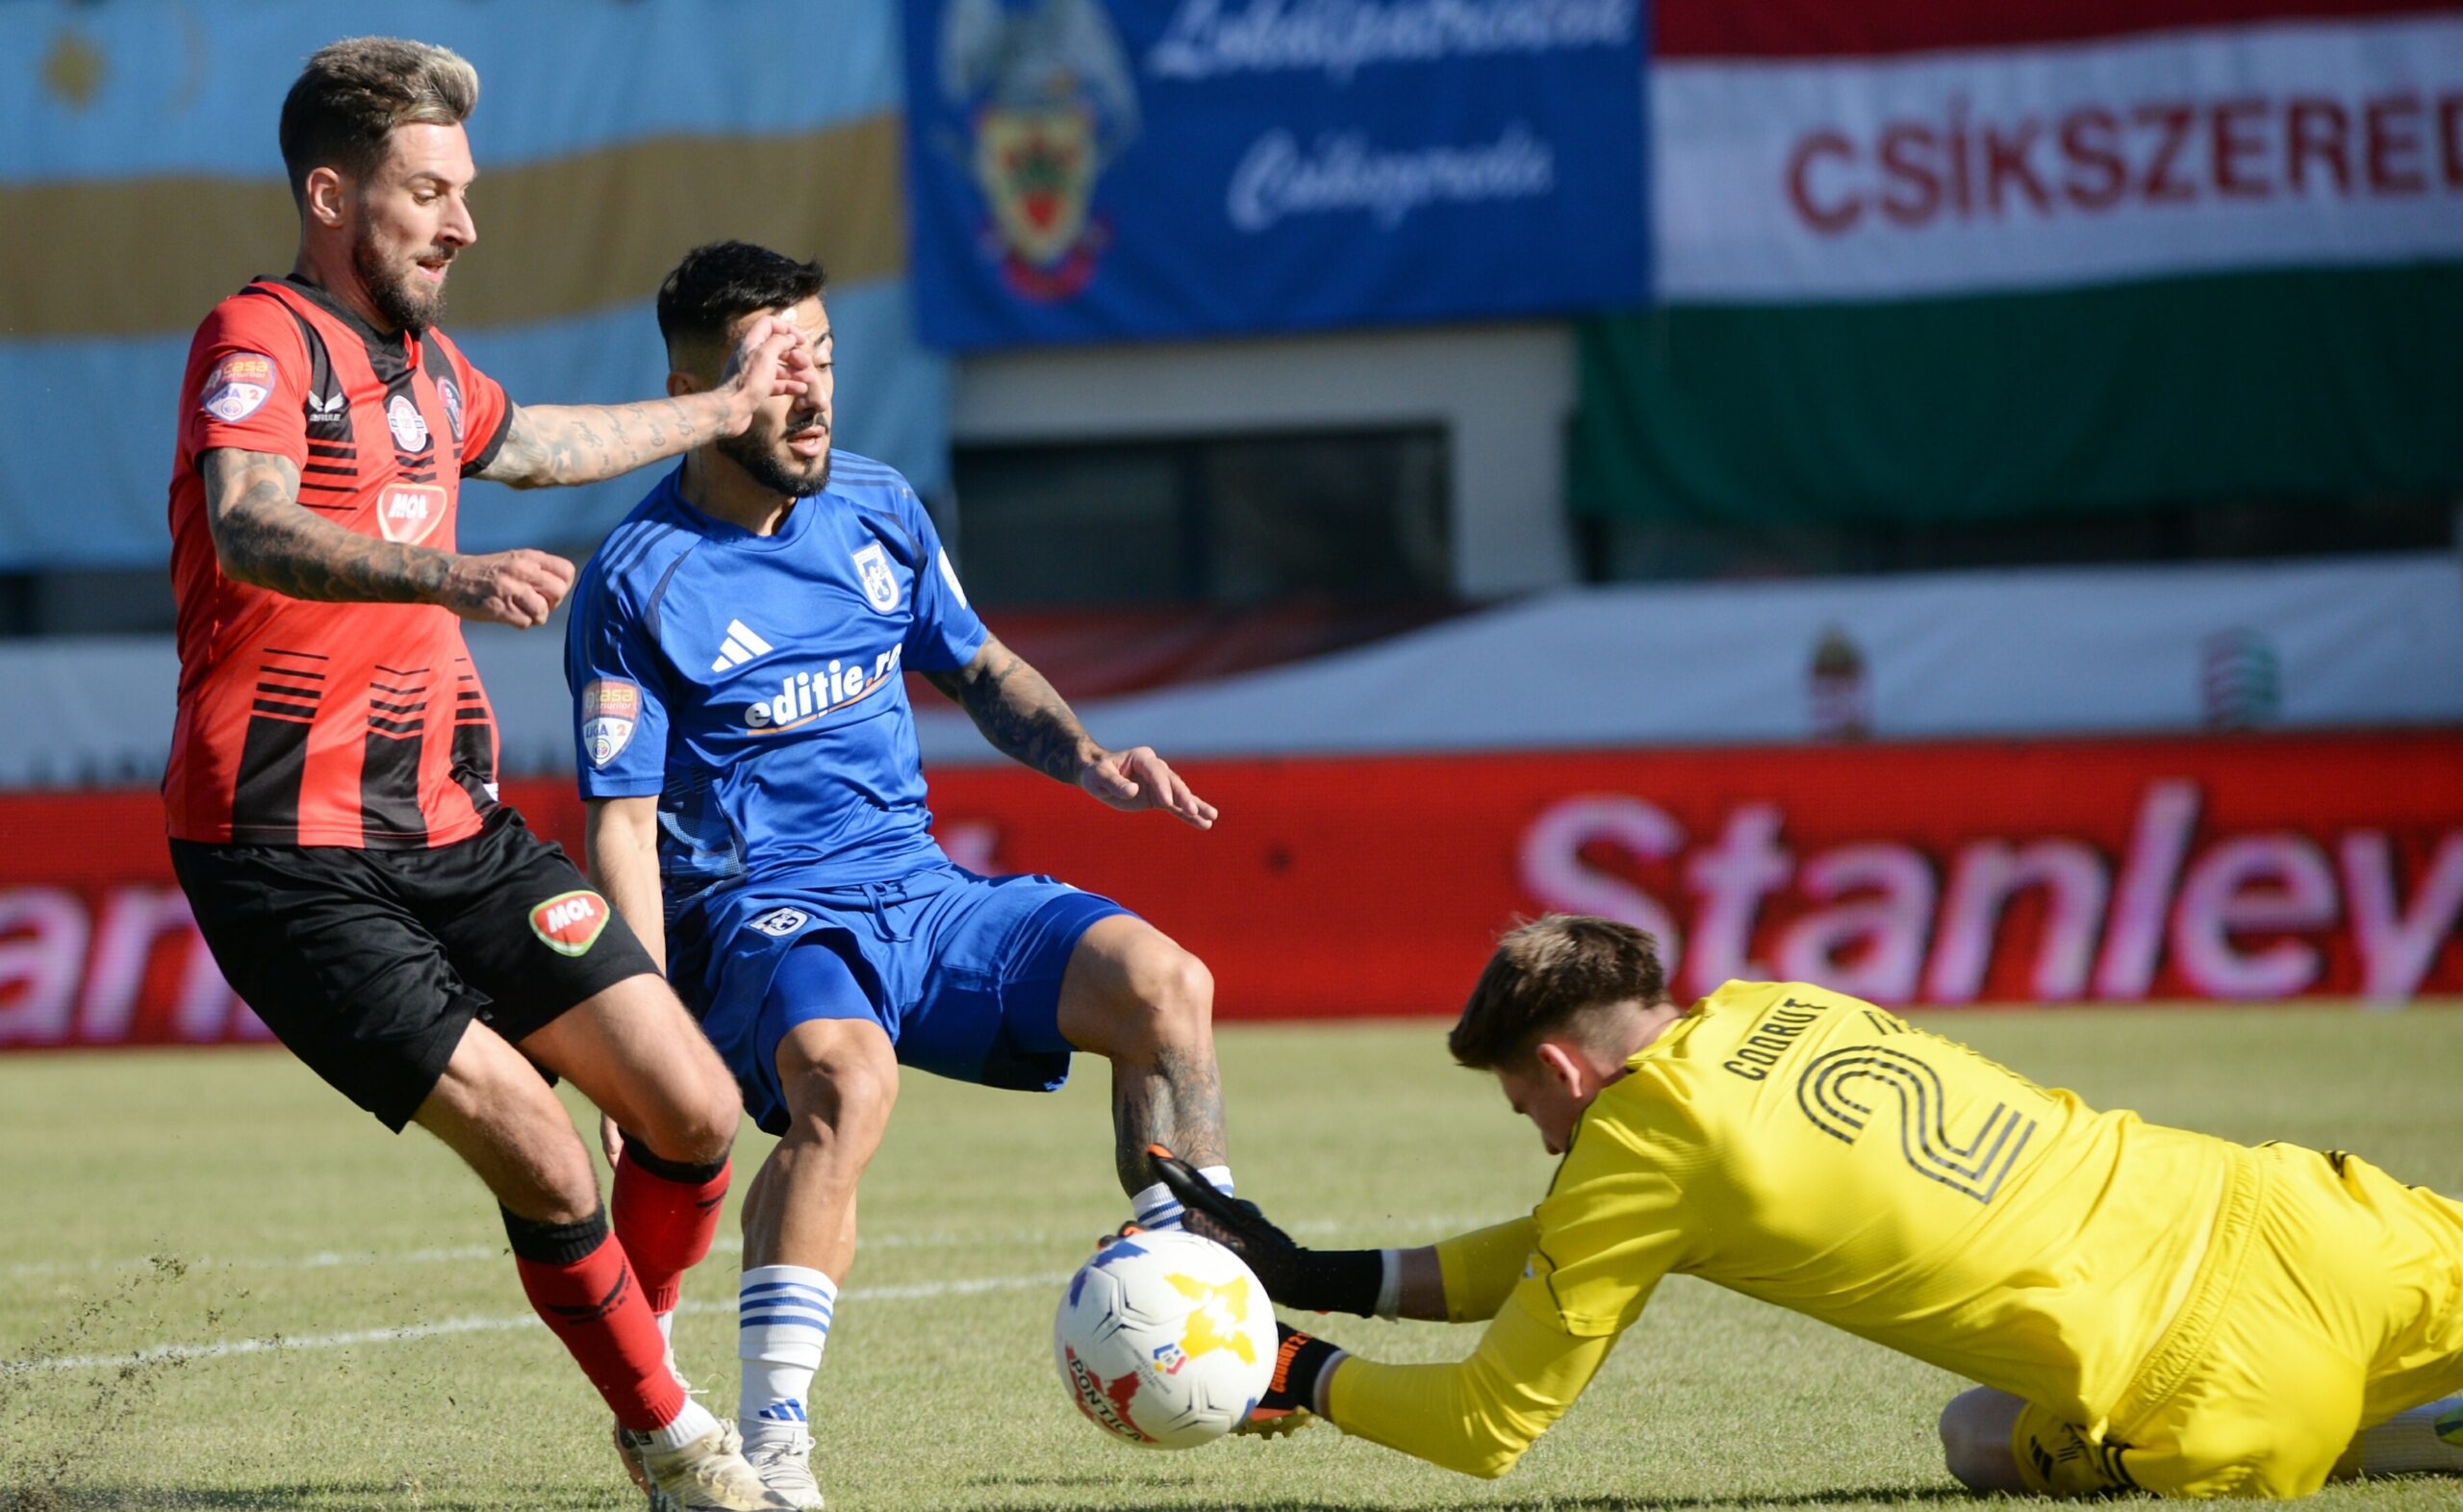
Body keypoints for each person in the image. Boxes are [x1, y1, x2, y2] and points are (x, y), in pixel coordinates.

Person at [164, 38, 818, 1512]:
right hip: (284, 854)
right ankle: (674, 1443)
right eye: (429, 192)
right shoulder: (258, 340)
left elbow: (546, 440)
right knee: (540, 1144)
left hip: (450, 829)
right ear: (333, 194)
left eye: (465, 191)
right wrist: (444, 574)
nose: (462, 224)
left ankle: (627, 1360)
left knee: (697, 1110)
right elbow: (254, 523)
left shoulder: (427, 369)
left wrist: (720, 411)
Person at [562, 239, 1240, 1509]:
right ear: (695, 389)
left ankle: (1198, 1305)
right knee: (846, 1078)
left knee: (1167, 984)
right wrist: (634, 1019)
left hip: (918, 892)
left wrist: (1091, 760)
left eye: (823, 357)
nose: (814, 391)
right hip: (761, 915)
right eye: (777, 370)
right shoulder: (635, 581)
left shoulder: (878, 507)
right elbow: (622, 826)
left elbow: (977, 670)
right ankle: (770, 1455)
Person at [1151, 914, 2463, 1500]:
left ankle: (2393, 1437)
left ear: (1563, 1069)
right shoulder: (1785, 1007)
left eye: (1529, 1112)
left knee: (1975, 1437)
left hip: (2208, 1385)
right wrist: (1319, 1270)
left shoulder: (1643, 1143)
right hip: (2305, 1212)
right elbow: (1561, 1249)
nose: (1545, 1142)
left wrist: (1297, 1369)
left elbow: (1489, 1427)